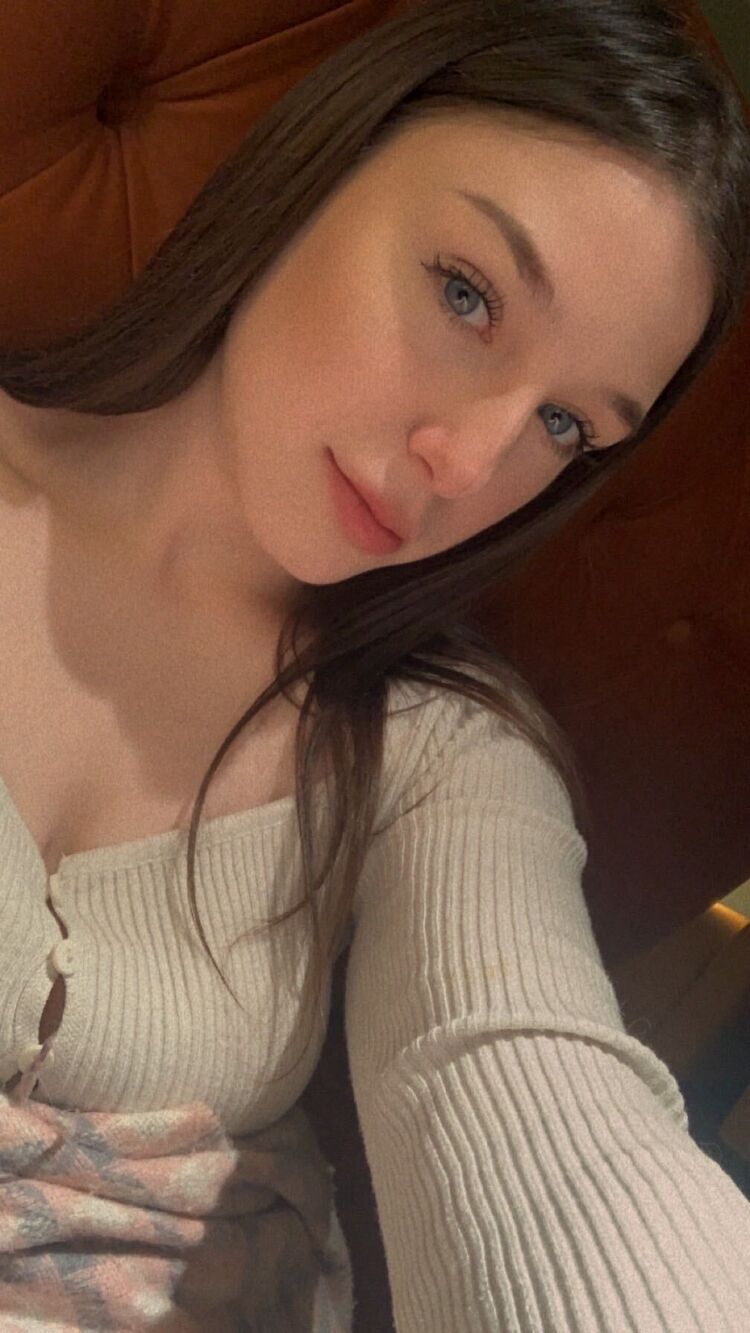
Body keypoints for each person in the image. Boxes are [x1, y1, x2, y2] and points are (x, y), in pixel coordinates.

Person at [0, 0, 748, 1328]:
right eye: (466, 294)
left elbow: (537, 1099)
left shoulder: (438, 754)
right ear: (325, 158)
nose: (468, 465)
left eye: (565, 424)